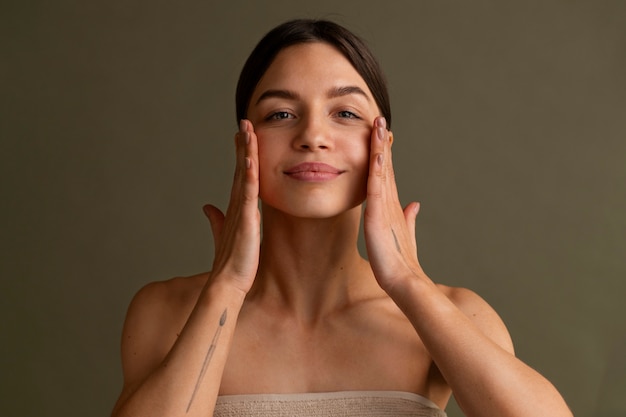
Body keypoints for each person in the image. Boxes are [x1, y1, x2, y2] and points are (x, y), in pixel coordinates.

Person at [111, 19, 572, 417]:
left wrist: (409, 283)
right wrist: (227, 287)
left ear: (383, 146)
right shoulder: (166, 313)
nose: (313, 135)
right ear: (243, 146)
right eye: (281, 113)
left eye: (346, 113)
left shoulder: (457, 314)